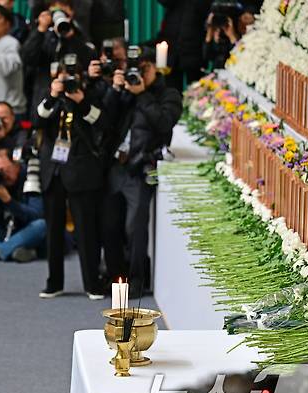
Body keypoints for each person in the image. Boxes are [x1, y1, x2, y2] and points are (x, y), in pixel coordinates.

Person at [100, 46, 182, 298]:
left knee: (134, 228)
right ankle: (116, 279)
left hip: (141, 167)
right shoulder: (124, 91)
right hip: (115, 165)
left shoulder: (168, 93)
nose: (138, 74)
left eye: (144, 68)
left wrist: (143, 94)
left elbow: (164, 122)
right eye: (134, 68)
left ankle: (136, 280)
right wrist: (116, 91)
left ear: (154, 68)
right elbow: (105, 121)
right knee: (110, 226)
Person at [35, 71, 106, 300]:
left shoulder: (89, 95)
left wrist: (81, 100)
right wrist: (53, 96)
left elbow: (100, 121)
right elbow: (38, 120)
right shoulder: (49, 98)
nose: (66, 85)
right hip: (53, 170)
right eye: (62, 80)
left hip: (80, 171)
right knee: (53, 230)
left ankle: (92, 284)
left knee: (86, 230)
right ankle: (53, 282)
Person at [22, 0, 95, 120]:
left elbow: (89, 59)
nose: (59, 13)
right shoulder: (41, 36)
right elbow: (27, 58)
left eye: (64, 8)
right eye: (55, 10)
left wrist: (71, 37)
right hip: (46, 99)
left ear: (71, 12)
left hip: (75, 99)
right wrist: (41, 29)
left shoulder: (79, 35)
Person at [156, 0, 213, 91]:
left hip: (194, 49)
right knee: (171, 90)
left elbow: (206, 8)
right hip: (173, 48)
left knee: (196, 90)